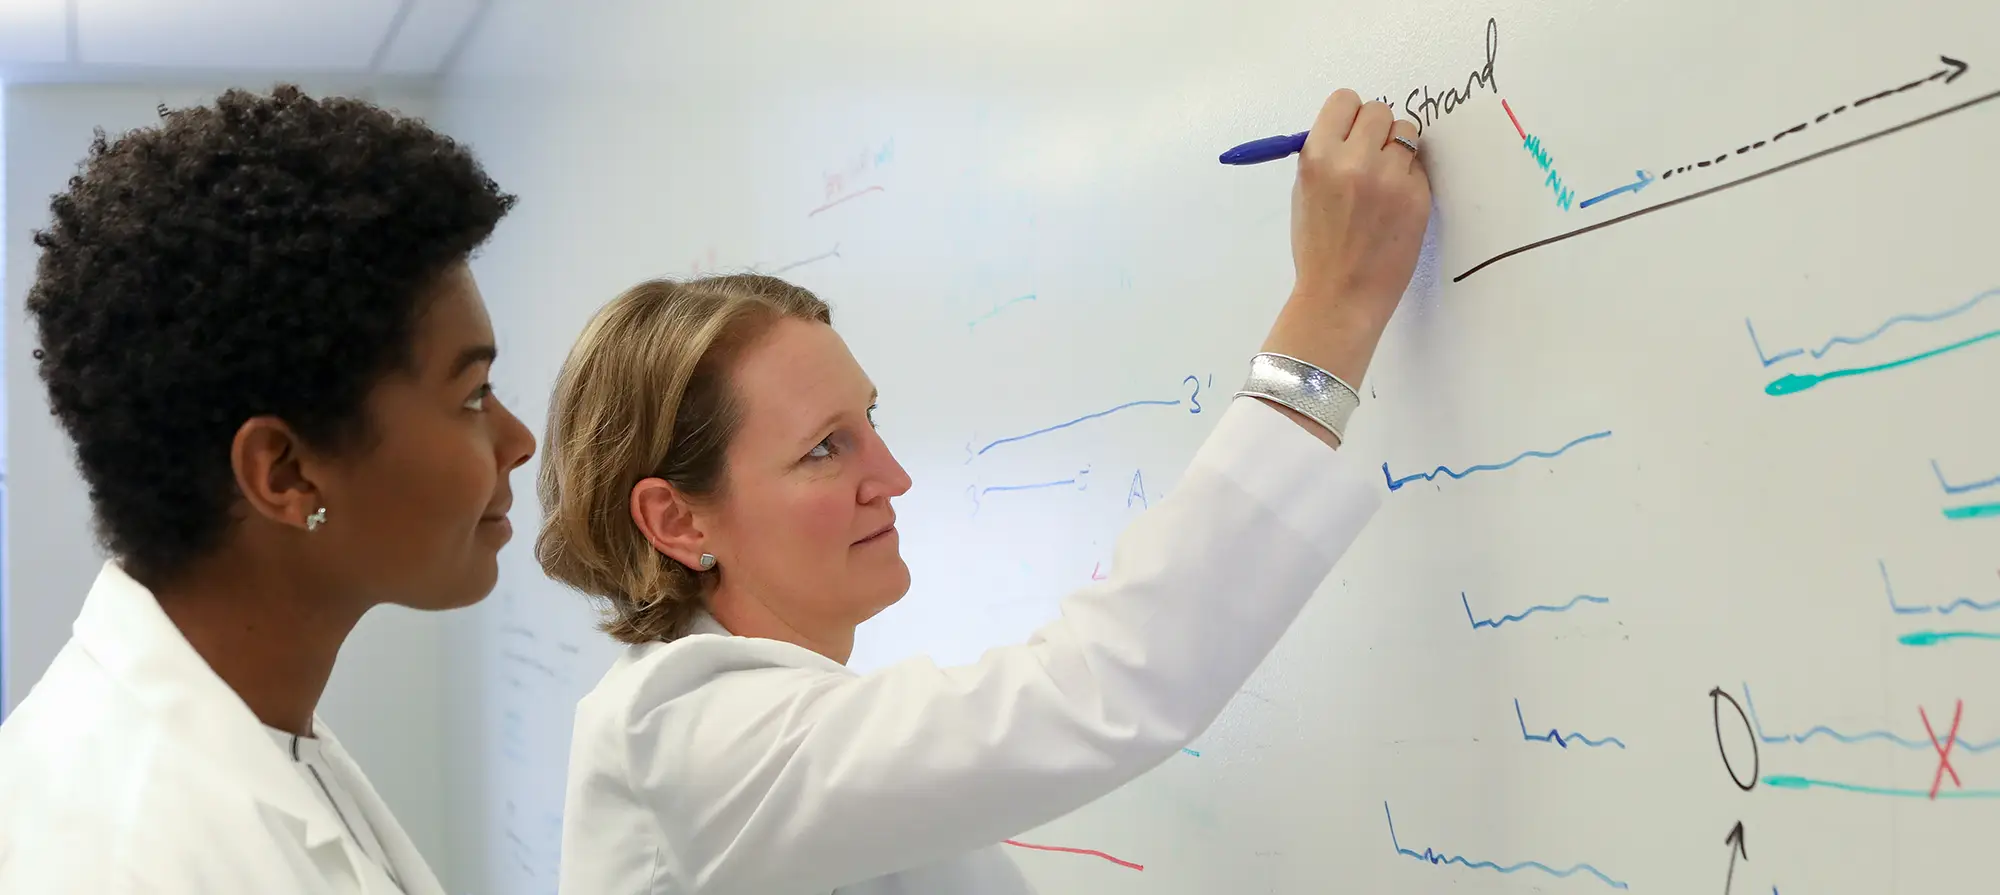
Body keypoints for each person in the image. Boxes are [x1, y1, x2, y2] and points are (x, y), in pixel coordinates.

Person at [536, 87, 1431, 894]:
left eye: (873, 422)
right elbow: (1094, 692)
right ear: (675, 516)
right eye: (823, 449)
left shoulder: (779, 733)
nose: (892, 478)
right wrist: (1333, 309)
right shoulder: (689, 743)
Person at [0, 85, 535, 893]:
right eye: (470, 395)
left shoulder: (266, 727)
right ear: (284, 473)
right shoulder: (113, 853)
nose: (518, 441)